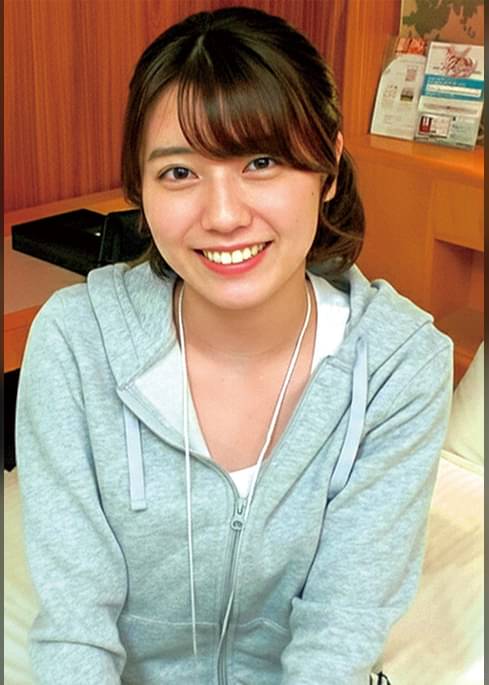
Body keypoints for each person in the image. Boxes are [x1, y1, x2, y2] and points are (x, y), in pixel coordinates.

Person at [16, 6, 453, 684]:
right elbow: (75, 624)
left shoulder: (400, 365)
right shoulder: (76, 343)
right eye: (179, 173)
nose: (222, 216)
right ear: (140, 189)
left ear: (329, 170)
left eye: (261, 161)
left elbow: (340, 628)